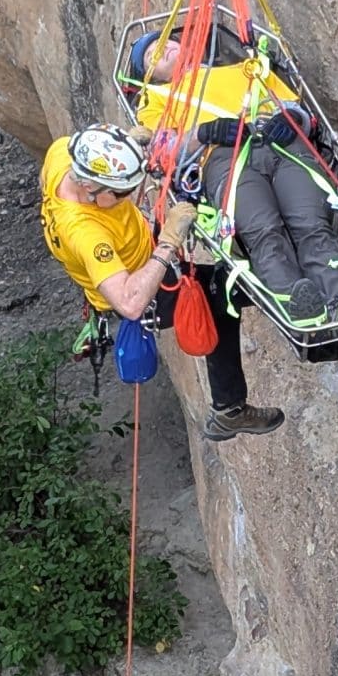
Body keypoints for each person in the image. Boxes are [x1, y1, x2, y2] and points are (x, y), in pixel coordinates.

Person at [128, 22, 338, 350]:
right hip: (221, 158)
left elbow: (298, 108)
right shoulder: (155, 99)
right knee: (263, 232)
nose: (164, 49)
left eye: (166, 42)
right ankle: (299, 307)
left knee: (311, 223)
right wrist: (203, 134)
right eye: (152, 55)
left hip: (281, 142)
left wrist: (292, 120)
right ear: (150, 77)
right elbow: (160, 150)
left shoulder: (246, 66)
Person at [38, 121, 284, 441]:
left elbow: (58, 174)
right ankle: (231, 410)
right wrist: (168, 242)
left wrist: (126, 148)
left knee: (219, 300)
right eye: (121, 192)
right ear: (90, 188)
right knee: (223, 293)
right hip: (145, 289)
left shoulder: (63, 154)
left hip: (137, 248)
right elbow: (129, 302)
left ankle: (229, 409)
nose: (128, 195)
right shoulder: (86, 234)